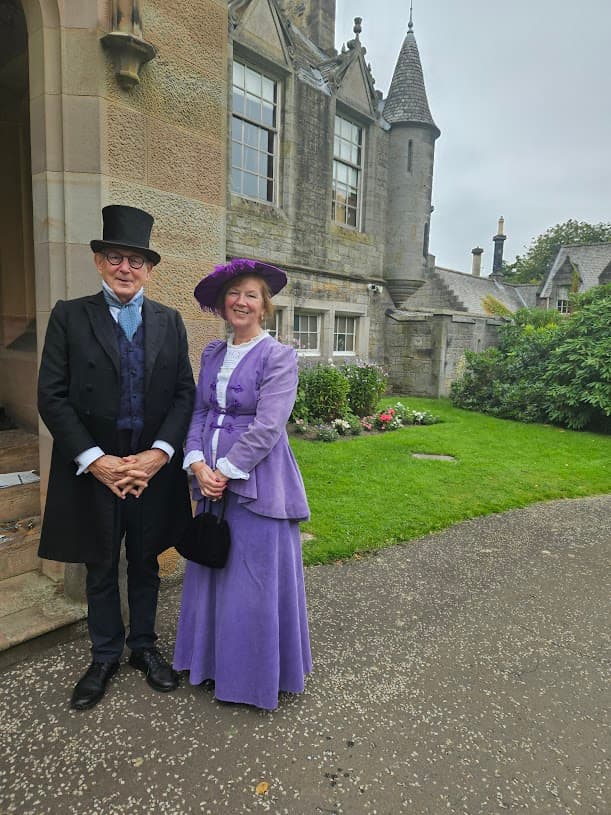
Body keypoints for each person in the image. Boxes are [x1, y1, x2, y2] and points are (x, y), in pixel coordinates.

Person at [37, 205, 195, 711]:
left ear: (149, 269)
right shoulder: (68, 315)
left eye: (135, 260)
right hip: (94, 472)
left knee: (146, 560)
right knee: (101, 564)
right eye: (115, 258)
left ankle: (143, 648)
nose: (125, 268)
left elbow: (183, 396)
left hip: (151, 472)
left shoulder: (170, 323)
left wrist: (158, 455)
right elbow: (52, 395)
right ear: (100, 262)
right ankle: (104, 654)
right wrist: (96, 460)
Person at [173, 258, 312, 710]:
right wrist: (197, 463)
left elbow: (269, 426)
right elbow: (200, 412)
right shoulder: (212, 353)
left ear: (264, 305)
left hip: (258, 482)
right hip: (208, 477)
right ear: (222, 303)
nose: (241, 301)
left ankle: (252, 679)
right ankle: (211, 664)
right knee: (214, 565)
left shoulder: (279, 356)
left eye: (251, 294)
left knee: (252, 579)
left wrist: (226, 471)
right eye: (234, 293)